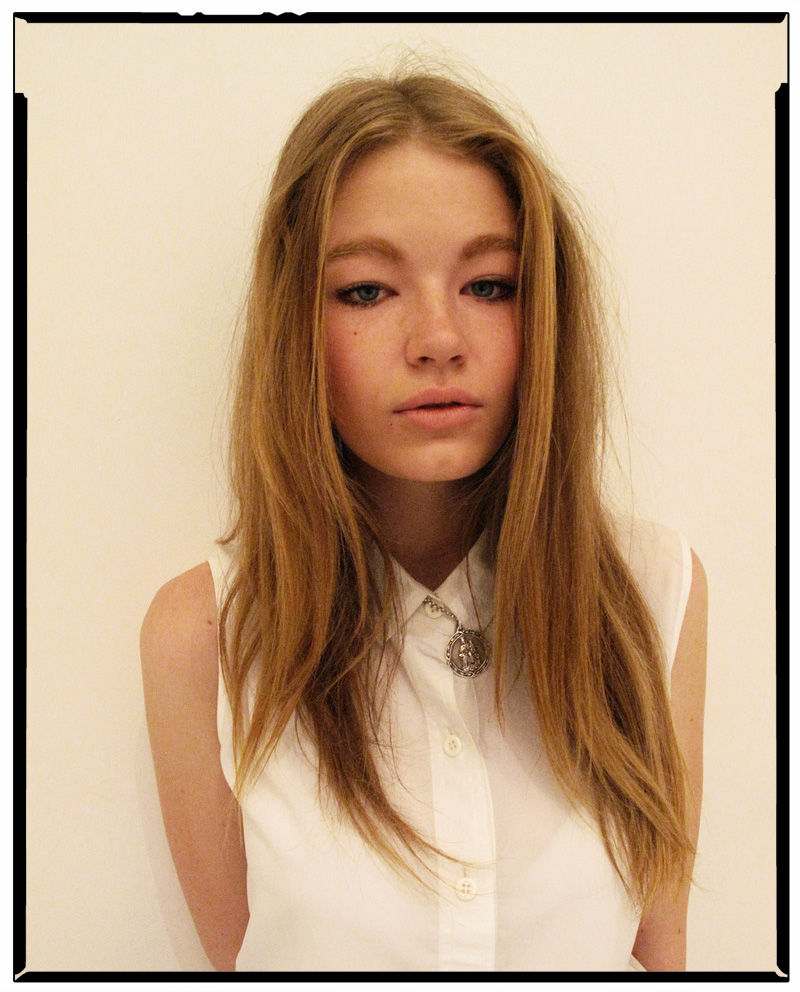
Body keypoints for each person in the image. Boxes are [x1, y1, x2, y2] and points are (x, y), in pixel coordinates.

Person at [140, 68, 707, 973]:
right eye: (368, 291)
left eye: (489, 285)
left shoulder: (652, 593)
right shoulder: (207, 636)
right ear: (297, 325)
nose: (439, 340)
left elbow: (662, 956)